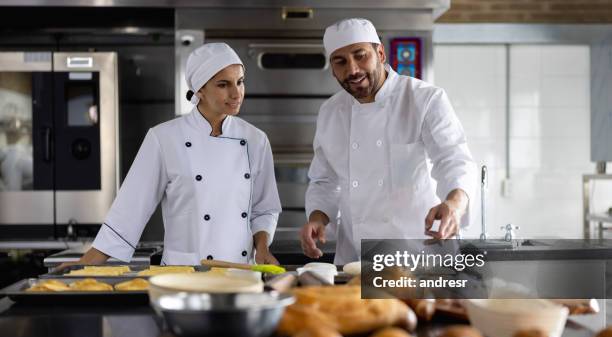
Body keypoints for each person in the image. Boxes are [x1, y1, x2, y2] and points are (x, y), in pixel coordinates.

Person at [70, 43, 281, 267]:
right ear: (200, 89)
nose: (236, 93)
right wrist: (85, 266)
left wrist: (262, 248)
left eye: (240, 82)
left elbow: (264, 209)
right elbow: (131, 209)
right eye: (223, 85)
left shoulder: (256, 140)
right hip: (184, 274)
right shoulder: (164, 138)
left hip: (240, 274)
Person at [300, 18, 477, 265]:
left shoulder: (424, 99)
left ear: (380, 53)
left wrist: (454, 204)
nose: (352, 70)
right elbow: (325, 180)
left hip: (417, 256)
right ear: (332, 68)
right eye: (340, 62)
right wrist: (318, 218)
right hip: (355, 261)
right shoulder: (330, 112)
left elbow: (454, 159)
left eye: (360, 56)